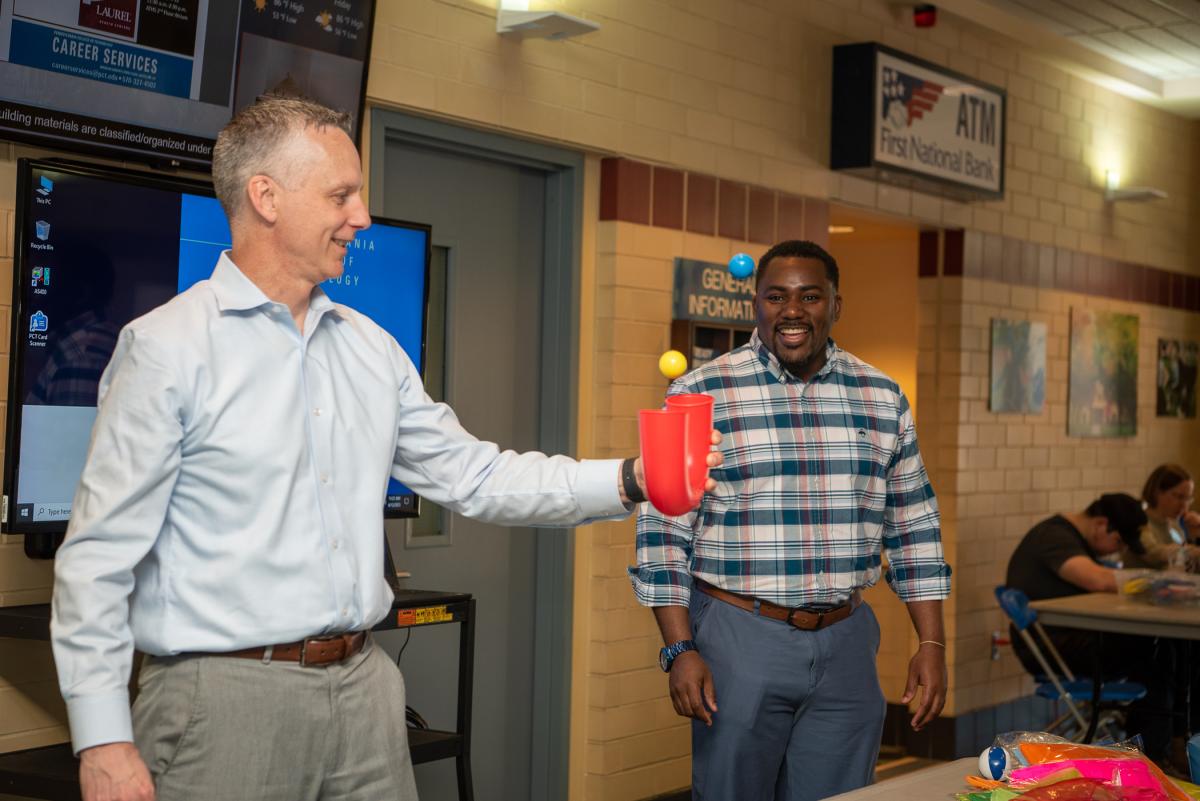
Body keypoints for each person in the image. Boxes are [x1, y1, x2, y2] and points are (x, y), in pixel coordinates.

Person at [50, 94, 721, 801]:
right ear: (266, 197)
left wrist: (632, 478)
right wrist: (101, 737)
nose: (361, 217)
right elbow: (97, 557)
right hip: (219, 699)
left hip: (365, 694)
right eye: (341, 194)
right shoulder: (166, 348)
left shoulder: (371, 350)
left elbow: (475, 474)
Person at [631, 240, 951, 801]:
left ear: (836, 305)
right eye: (777, 296)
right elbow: (662, 535)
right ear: (756, 304)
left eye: (810, 296)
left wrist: (932, 643)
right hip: (738, 637)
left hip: (847, 641)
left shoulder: (881, 396)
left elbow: (913, 524)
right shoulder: (698, 393)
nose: (793, 310)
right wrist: (679, 650)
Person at [1004, 494, 1175, 764]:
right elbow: (1098, 579)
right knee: (1160, 649)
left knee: (1162, 648)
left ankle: (1153, 748)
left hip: (1064, 642)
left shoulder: (1067, 538)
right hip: (1053, 649)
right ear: (1101, 524)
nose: (1116, 551)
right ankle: (1151, 755)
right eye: (1117, 541)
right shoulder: (1055, 538)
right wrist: (1155, 582)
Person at [1126, 464, 1200, 571]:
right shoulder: (1137, 521)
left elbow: (1185, 566)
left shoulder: (1175, 525)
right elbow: (1154, 553)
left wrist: (1195, 537)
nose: (1184, 505)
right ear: (1157, 492)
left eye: (1188, 499)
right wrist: (1193, 551)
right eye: (1179, 497)